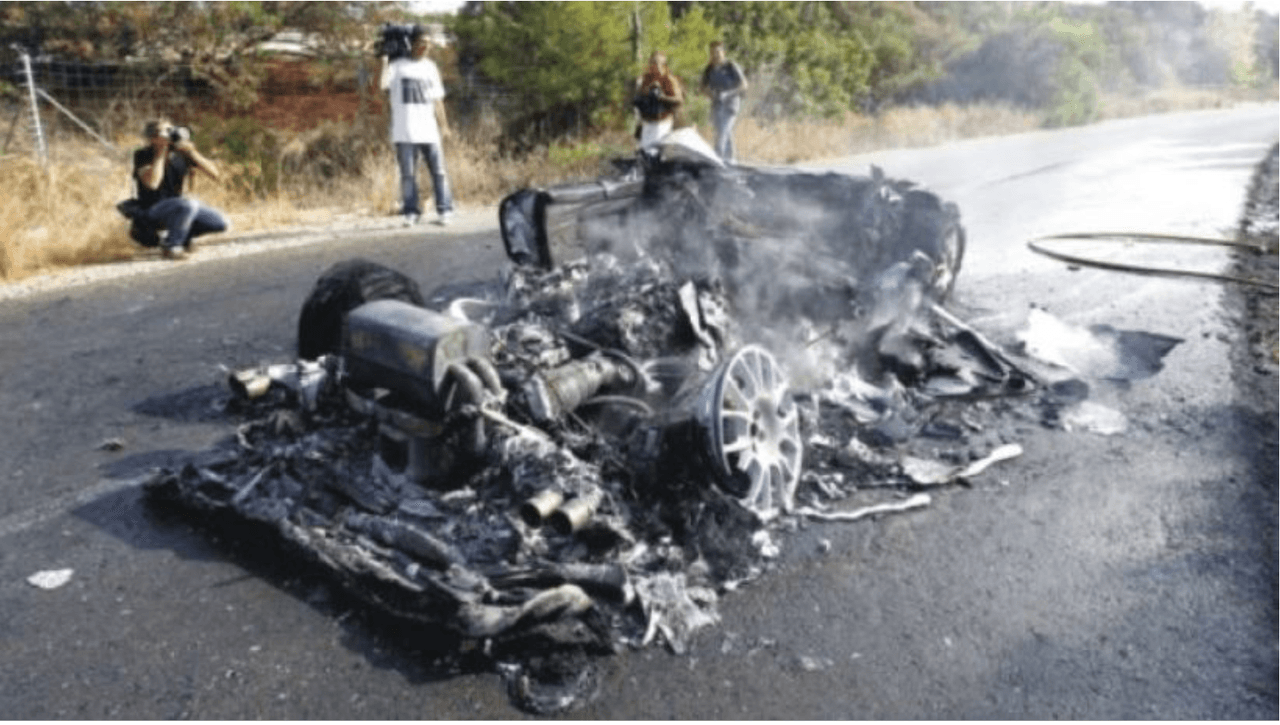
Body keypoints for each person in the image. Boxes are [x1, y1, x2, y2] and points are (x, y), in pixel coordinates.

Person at [380, 26, 454, 226]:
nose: (425, 47)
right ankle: (411, 211)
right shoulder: (397, 67)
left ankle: (444, 210)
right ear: (412, 43)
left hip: (429, 129)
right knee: (408, 175)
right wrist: (385, 59)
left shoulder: (430, 67)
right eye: (421, 43)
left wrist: (444, 126)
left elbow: (438, 100)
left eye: (428, 44)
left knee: (439, 172)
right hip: (404, 130)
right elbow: (383, 90)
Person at [131, 119, 228, 260]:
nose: (169, 135)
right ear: (152, 138)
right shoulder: (143, 155)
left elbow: (216, 175)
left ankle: (183, 236)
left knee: (220, 222)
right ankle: (172, 246)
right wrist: (160, 153)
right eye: (164, 132)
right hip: (151, 210)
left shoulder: (181, 154)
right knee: (188, 204)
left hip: (178, 207)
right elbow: (152, 183)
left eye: (171, 130)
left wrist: (192, 152)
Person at [699, 41, 748, 163]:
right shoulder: (709, 69)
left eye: (718, 52)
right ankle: (731, 160)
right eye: (712, 53)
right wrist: (712, 95)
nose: (715, 55)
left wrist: (728, 94)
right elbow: (702, 88)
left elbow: (744, 85)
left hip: (731, 104)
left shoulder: (731, 66)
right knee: (724, 132)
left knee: (723, 132)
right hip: (717, 104)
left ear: (723, 52)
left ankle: (717, 158)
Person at [633, 51, 684, 152]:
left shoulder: (670, 79)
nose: (655, 66)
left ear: (664, 65)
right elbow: (637, 98)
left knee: (657, 152)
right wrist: (648, 90)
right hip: (648, 122)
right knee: (645, 152)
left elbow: (679, 100)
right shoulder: (645, 79)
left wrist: (663, 97)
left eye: (658, 63)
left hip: (663, 122)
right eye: (652, 63)